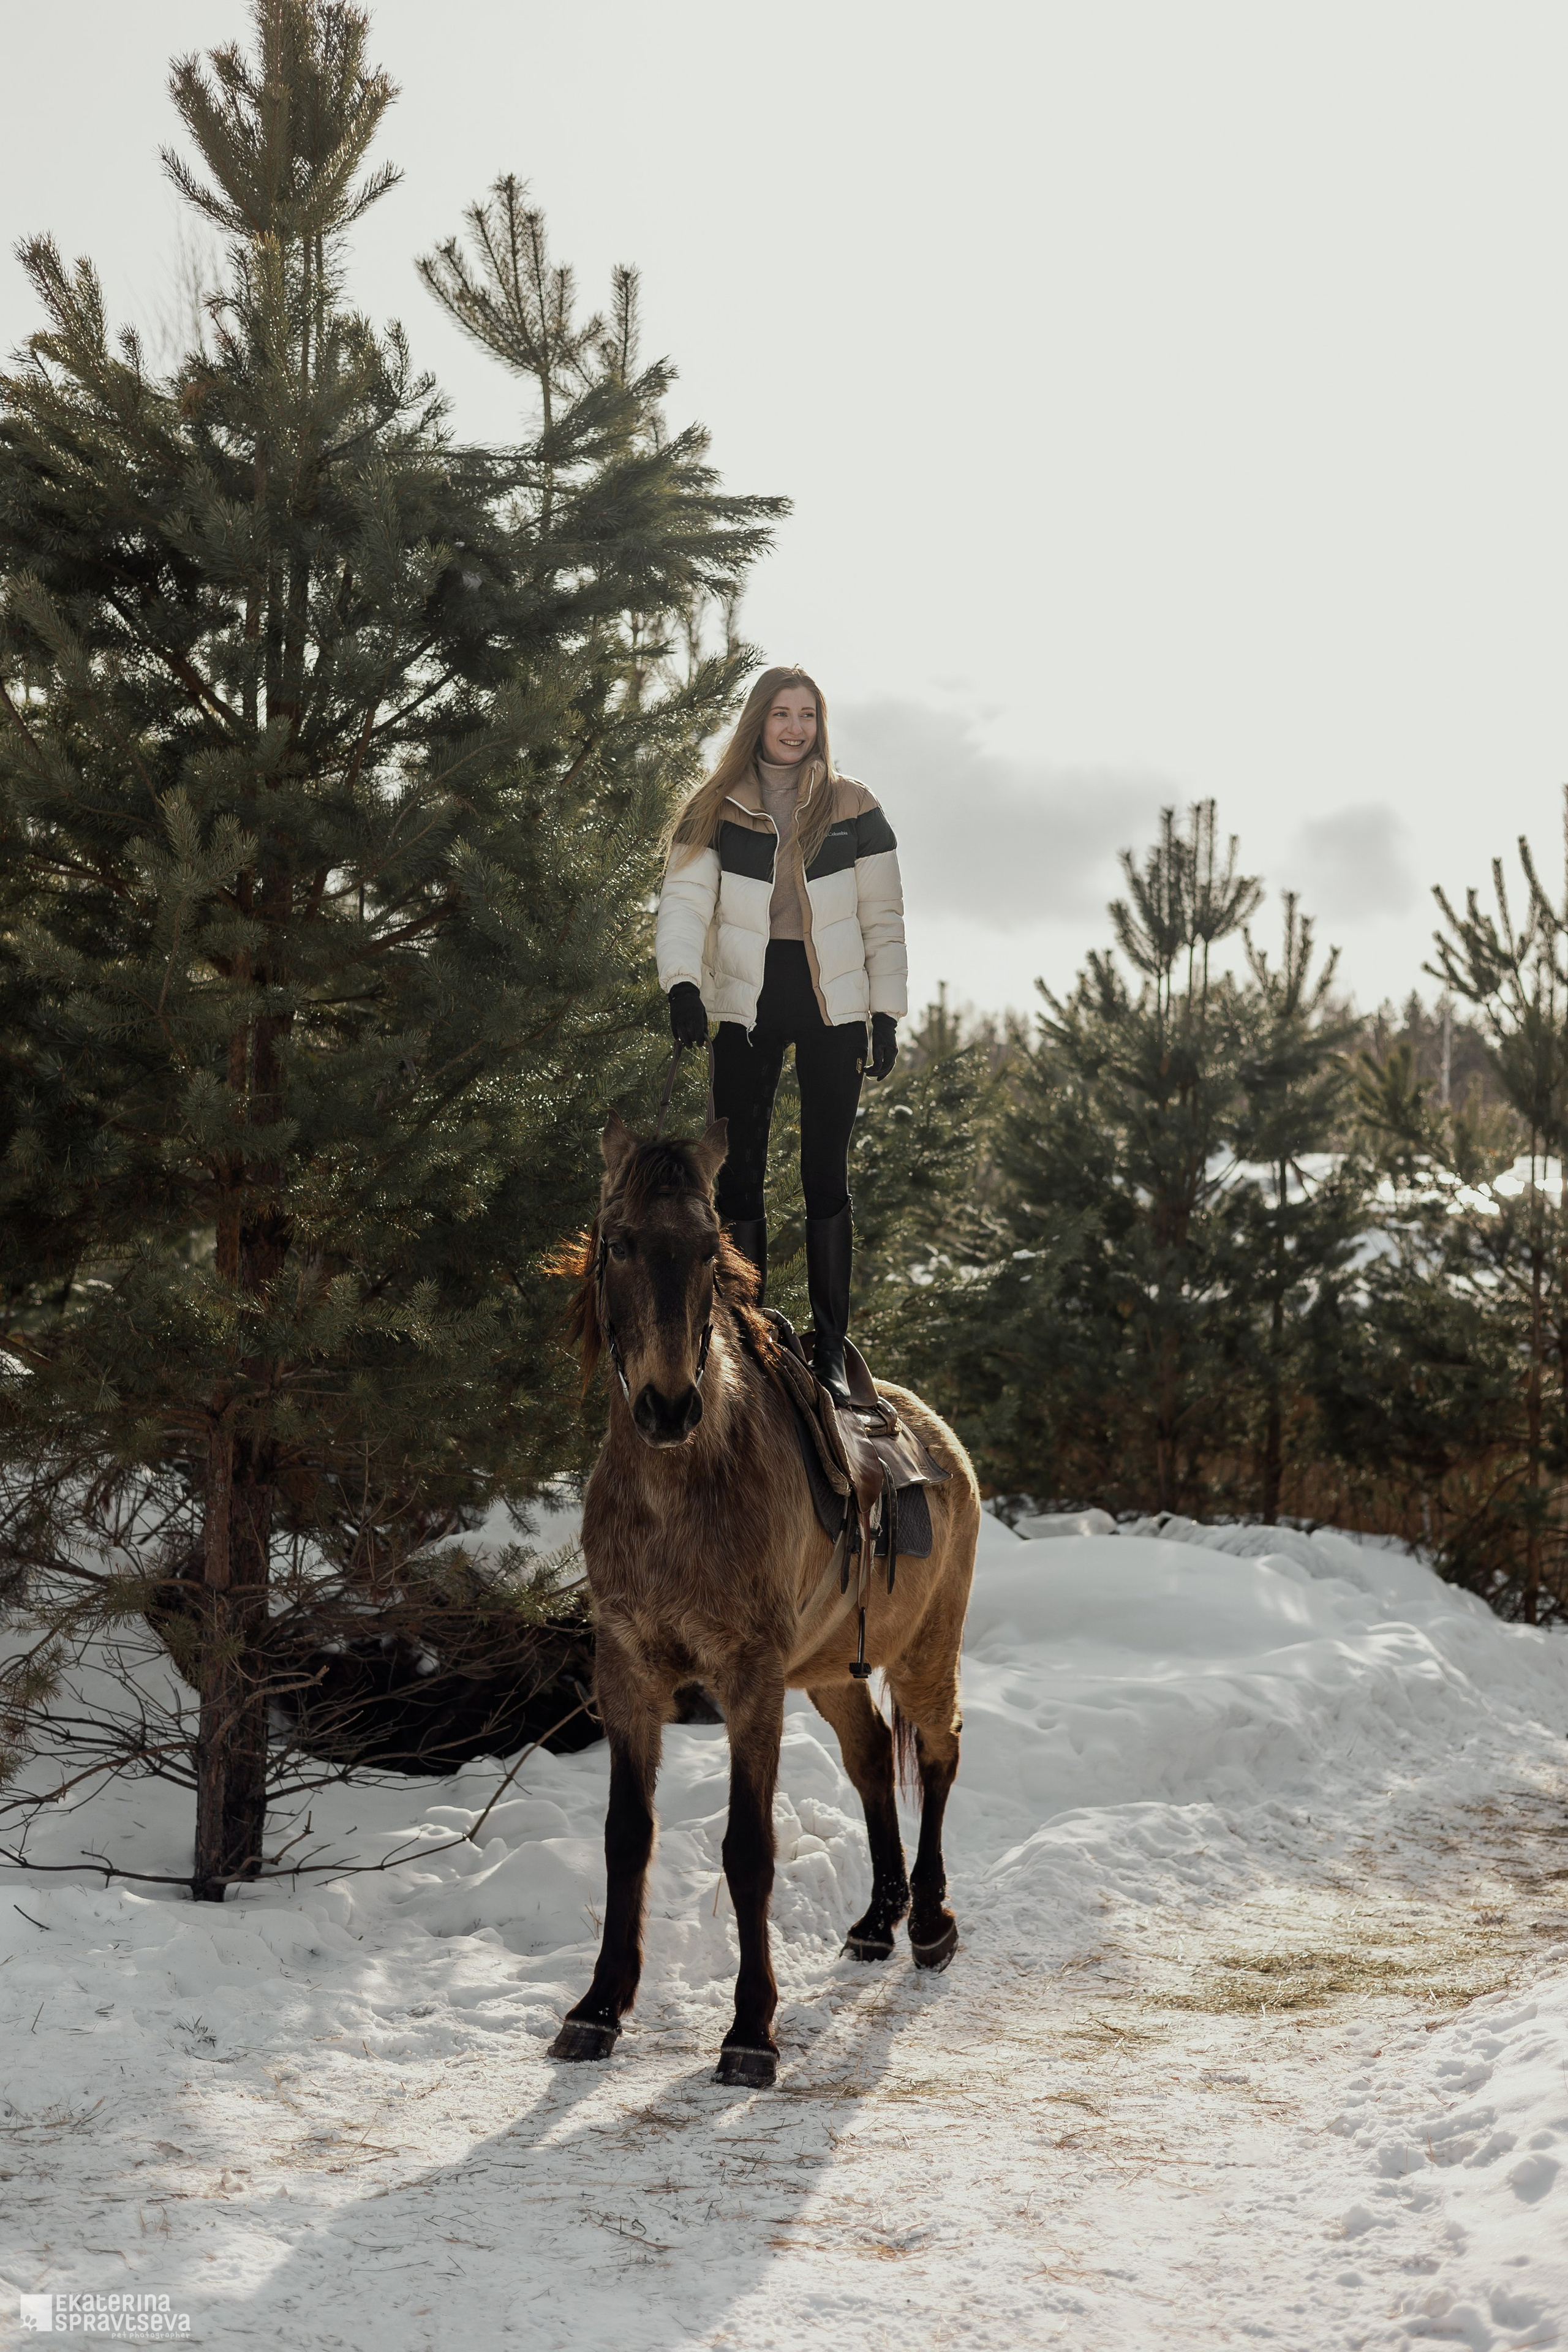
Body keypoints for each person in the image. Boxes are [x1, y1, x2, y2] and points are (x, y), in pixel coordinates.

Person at [655, 665, 907, 1404]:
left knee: (824, 1172)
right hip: (747, 1002)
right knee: (739, 1176)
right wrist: (682, 985)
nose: (796, 728)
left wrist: (885, 1012)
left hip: (833, 1005)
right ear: (758, 722)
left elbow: (882, 915)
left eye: (808, 715)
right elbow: (683, 903)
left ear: (819, 724)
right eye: (782, 714)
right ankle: (747, 1339)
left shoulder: (855, 807)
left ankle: (829, 1350)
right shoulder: (715, 806)